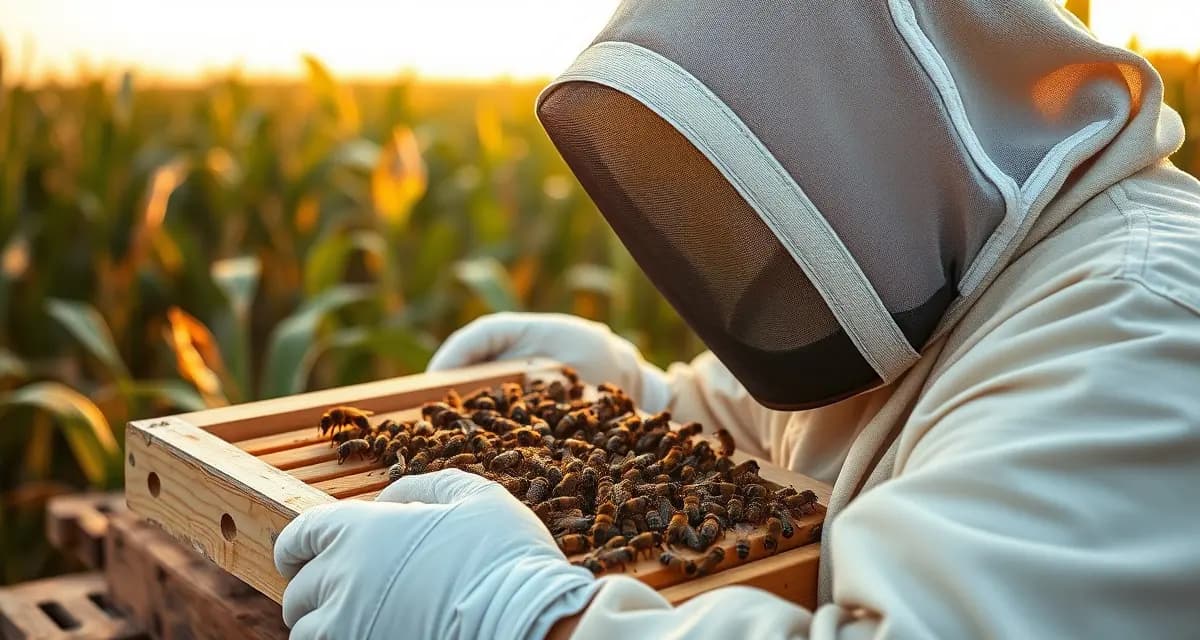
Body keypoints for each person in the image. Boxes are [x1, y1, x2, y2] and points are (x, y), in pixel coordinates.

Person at [272, 1, 1200, 638]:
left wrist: (528, 619)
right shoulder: (969, 273)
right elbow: (790, 434)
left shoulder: (1139, 331)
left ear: (869, 124)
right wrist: (636, 397)